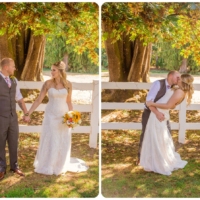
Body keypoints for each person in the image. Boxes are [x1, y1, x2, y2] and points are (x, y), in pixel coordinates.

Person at [24, 61, 88, 175]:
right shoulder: (47, 84)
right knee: (52, 137)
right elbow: (39, 100)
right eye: (51, 69)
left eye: (54, 70)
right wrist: (29, 112)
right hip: (50, 114)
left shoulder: (68, 84)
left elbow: (68, 101)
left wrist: (72, 117)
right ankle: (49, 165)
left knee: (62, 138)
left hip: (63, 115)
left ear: (60, 71)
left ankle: (59, 164)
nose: (51, 72)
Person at [139, 74, 194, 175]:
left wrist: (152, 104)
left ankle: (160, 162)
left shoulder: (179, 91)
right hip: (157, 113)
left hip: (160, 114)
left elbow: (168, 105)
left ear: (183, 81)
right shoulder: (178, 89)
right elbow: (171, 105)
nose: (178, 79)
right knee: (155, 137)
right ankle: (153, 162)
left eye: (179, 78)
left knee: (158, 138)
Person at [137, 70, 181, 165]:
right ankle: (140, 158)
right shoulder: (158, 84)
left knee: (167, 133)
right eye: (177, 77)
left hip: (163, 114)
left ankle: (165, 158)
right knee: (146, 134)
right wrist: (157, 113)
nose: (179, 79)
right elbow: (148, 102)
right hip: (150, 113)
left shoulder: (175, 87)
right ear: (170, 76)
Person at [0, 58, 29, 180]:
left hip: (13, 117)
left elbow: (19, 97)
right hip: (1, 117)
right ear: (6, 67)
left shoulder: (14, 80)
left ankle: (14, 165)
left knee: (13, 141)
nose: (15, 68)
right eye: (13, 66)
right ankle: (1, 168)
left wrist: (26, 112)